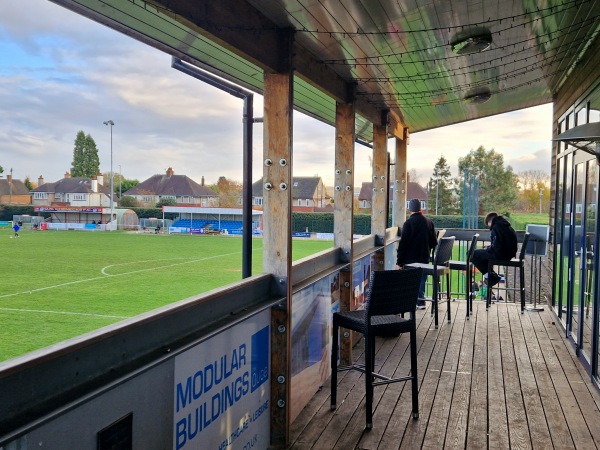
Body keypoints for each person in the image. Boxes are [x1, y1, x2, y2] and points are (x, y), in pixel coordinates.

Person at [396, 198, 438, 309]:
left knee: (409, 278)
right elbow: (434, 242)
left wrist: (399, 262)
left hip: (410, 260)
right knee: (421, 278)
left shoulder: (408, 223)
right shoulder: (429, 222)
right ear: (421, 209)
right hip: (424, 258)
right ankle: (420, 300)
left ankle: (410, 301)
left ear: (410, 210)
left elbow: (403, 244)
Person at [471, 212, 518, 287]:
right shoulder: (506, 226)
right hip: (507, 254)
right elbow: (500, 243)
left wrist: (488, 249)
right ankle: (491, 276)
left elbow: (497, 247)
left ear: (489, 221)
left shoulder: (496, 227)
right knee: (481, 256)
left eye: (488, 224)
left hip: (501, 255)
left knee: (471, 254)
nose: (489, 227)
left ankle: (491, 277)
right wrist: (489, 247)